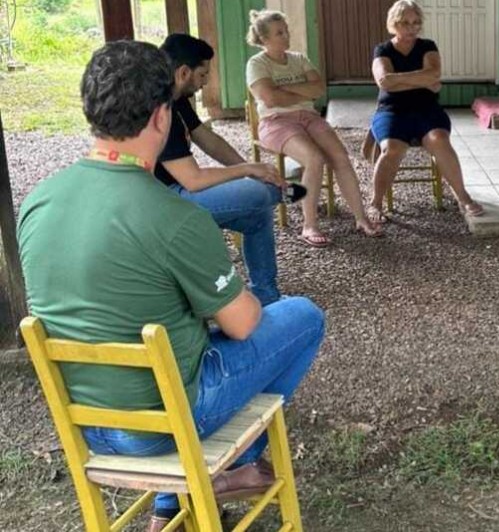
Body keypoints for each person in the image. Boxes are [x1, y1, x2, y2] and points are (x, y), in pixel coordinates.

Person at [17, 41, 326, 532]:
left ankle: (168, 508)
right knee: (302, 316)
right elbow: (245, 324)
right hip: (164, 426)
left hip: (87, 422)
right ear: (162, 116)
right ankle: (233, 467)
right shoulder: (177, 218)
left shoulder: (37, 202)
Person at [158, 33, 284, 305]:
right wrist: (248, 171)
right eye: (202, 74)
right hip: (163, 202)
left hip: (177, 191)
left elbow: (207, 139)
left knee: (258, 212)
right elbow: (192, 180)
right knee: (261, 196)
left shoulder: (176, 97)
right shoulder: (159, 109)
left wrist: (250, 169)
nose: (205, 82)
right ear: (183, 72)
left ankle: (266, 295)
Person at [246, 9, 383, 247]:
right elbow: (269, 99)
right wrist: (301, 88)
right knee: (313, 158)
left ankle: (360, 218)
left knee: (340, 156)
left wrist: (285, 91)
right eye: (279, 33)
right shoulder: (256, 64)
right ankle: (309, 225)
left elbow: (318, 89)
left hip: (309, 117)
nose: (286, 35)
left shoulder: (299, 59)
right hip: (276, 122)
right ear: (265, 39)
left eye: (286, 30)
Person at [367, 0, 483, 223]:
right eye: (405, 23)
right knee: (391, 149)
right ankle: (375, 202)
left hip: (426, 109)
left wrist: (400, 79)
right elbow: (384, 82)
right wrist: (422, 79)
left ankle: (463, 197)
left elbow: (434, 75)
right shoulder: (383, 49)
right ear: (394, 23)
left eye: (416, 22)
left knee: (439, 139)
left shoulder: (427, 46)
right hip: (392, 110)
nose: (411, 28)